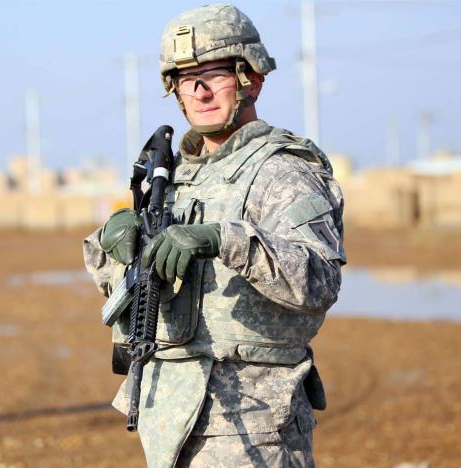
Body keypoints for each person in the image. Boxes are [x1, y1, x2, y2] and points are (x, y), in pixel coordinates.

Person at [83, 4, 346, 466]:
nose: (200, 91)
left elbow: (318, 281)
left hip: (254, 418)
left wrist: (224, 239)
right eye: (187, 79)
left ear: (251, 78)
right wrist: (114, 242)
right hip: (168, 414)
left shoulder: (282, 171)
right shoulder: (171, 177)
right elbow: (123, 288)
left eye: (214, 74)